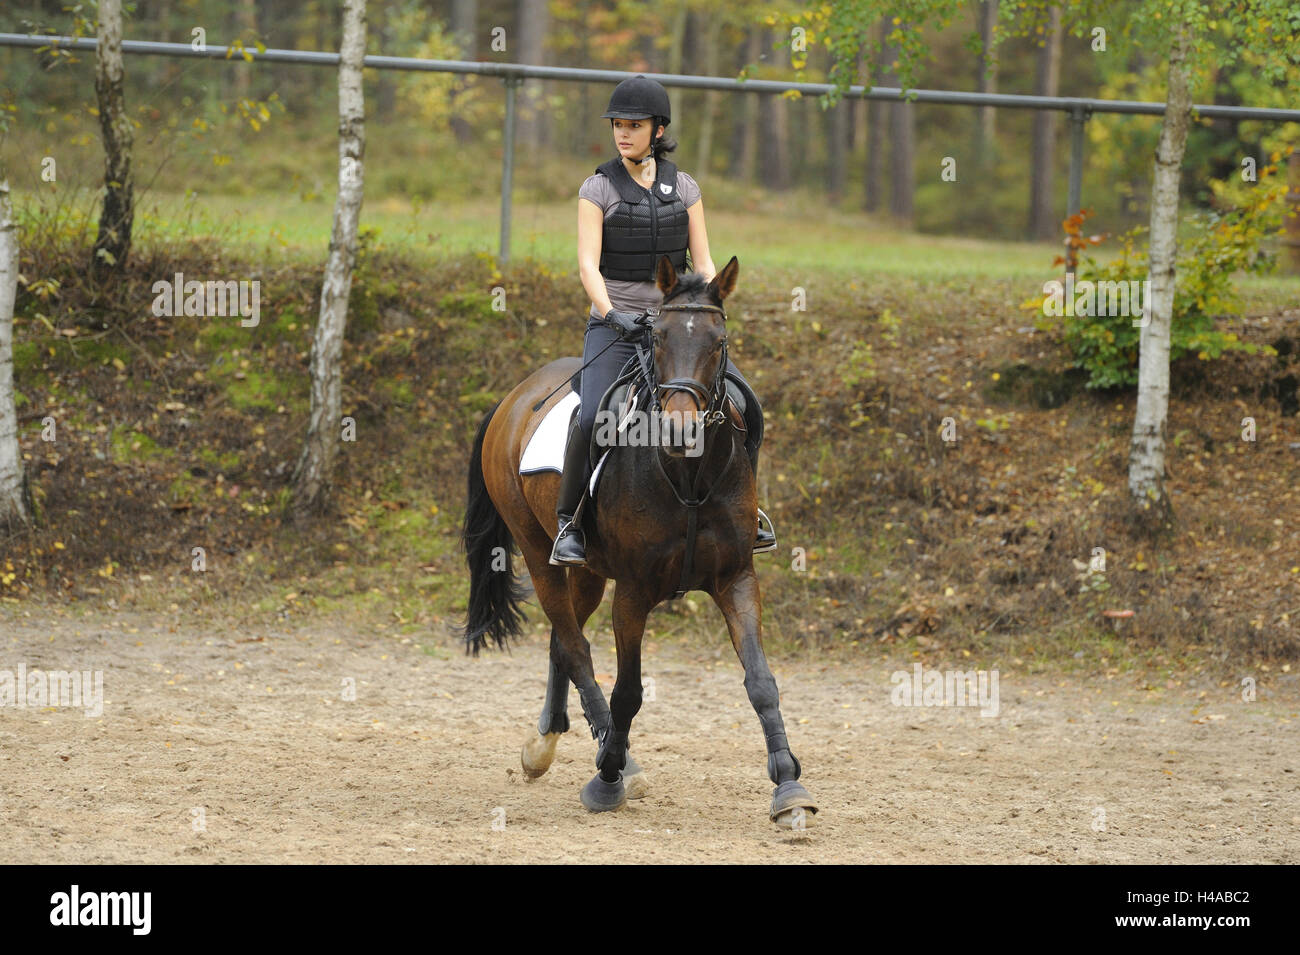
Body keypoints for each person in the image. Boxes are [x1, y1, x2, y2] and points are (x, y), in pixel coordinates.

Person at [550, 74, 776, 567]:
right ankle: (570, 523)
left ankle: (750, 512)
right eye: (618, 125)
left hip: (680, 327)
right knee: (592, 418)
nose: (622, 133)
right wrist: (613, 315)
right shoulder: (598, 187)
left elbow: (705, 259)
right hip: (617, 325)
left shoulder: (686, 187)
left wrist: (711, 301)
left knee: (746, 407)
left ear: (658, 129)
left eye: (633, 125)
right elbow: (588, 264)